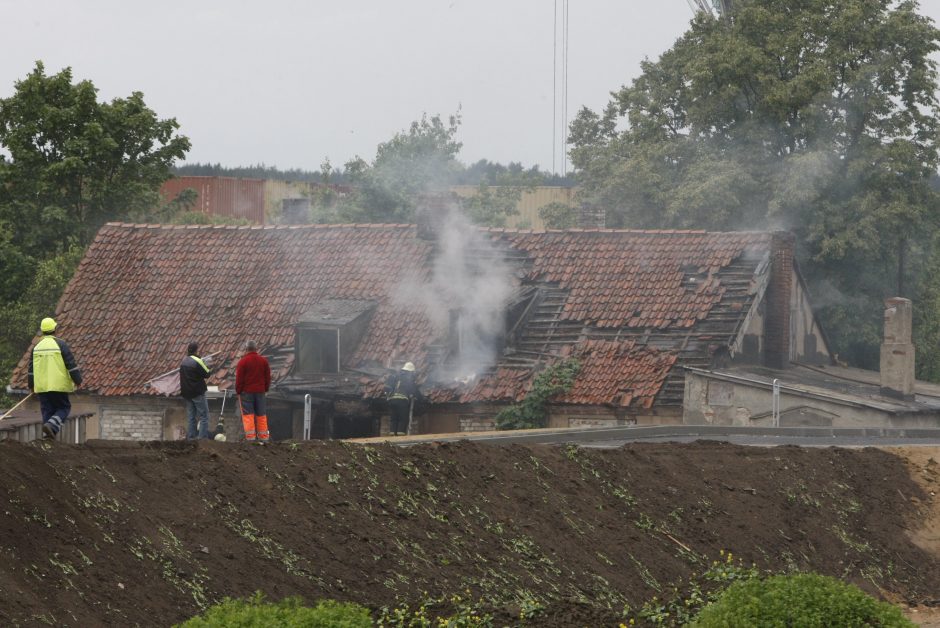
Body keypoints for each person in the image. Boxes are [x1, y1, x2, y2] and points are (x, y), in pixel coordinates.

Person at [27, 317, 82, 440]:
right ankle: (51, 426)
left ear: (42, 330)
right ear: (54, 329)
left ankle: (48, 439)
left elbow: (31, 370)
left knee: (47, 410)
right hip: (58, 385)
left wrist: (31, 386)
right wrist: (78, 380)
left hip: (42, 387)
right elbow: (71, 365)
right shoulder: (61, 344)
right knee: (63, 407)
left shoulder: (36, 347)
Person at [235, 340, 271, 443]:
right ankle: (264, 438)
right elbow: (267, 378)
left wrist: (238, 391)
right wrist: (266, 389)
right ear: (256, 349)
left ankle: (251, 439)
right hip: (260, 392)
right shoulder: (263, 361)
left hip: (246, 393)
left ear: (246, 349)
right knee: (261, 415)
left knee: (248, 415)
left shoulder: (243, 362)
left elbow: (239, 379)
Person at [179, 342, 211, 439]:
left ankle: (191, 438)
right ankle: (202, 438)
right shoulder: (198, 360)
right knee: (204, 415)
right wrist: (206, 364)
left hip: (186, 393)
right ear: (197, 350)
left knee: (191, 416)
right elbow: (207, 374)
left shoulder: (183, 361)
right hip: (197, 392)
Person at [384, 361, 423, 436]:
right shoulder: (409, 378)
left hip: (391, 400)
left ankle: (392, 435)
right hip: (402, 401)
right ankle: (400, 436)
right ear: (410, 371)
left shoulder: (395, 376)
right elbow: (414, 390)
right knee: (402, 418)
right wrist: (421, 398)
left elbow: (387, 387)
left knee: (394, 418)